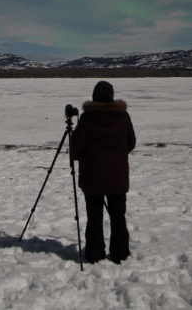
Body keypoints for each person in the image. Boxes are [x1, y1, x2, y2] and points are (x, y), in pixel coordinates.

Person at [70, 80, 136, 264]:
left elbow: (75, 149)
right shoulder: (123, 116)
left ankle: (94, 253)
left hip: (93, 177)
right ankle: (120, 253)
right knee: (118, 215)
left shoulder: (87, 119)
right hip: (118, 176)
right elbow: (130, 143)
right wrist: (117, 157)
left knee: (94, 216)